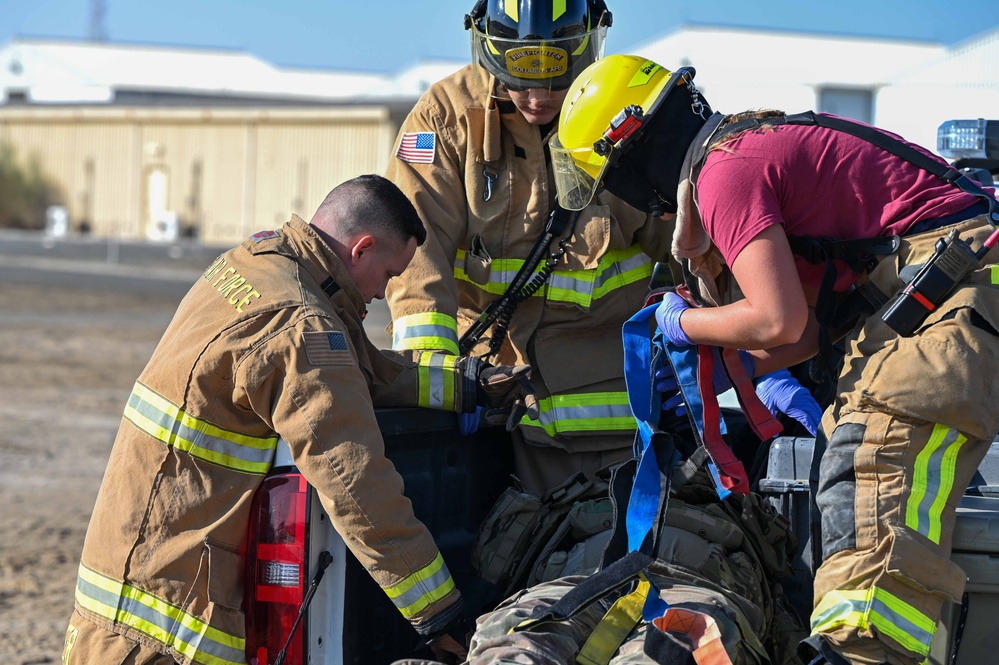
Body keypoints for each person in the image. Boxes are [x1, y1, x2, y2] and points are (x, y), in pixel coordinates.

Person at [549, 54, 999, 665]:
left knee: (871, 460)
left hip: (952, 289)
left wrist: (680, 324)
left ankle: (855, 655)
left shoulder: (721, 174)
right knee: (851, 446)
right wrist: (728, 363)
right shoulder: (744, 147)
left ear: (630, 152)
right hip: (947, 285)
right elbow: (803, 336)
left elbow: (778, 320)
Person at [62, 174, 538, 665]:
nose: (383, 293)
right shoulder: (301, 324)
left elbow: (360, 369)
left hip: (123, 592)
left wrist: (468, 385)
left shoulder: (260, 264)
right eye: (390, 274)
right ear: (362, 249)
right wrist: (441, 615)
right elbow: (358, 486)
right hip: (164, 626)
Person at [384, 0, 675, 497]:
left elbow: (689, 248)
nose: (538, 97)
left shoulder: (632, 115)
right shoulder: (445, 117)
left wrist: (697, 344)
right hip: (476, 409)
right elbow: (414, 253)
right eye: (520, 76)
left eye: (556, 78)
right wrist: (434, 381)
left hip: (605, 431)